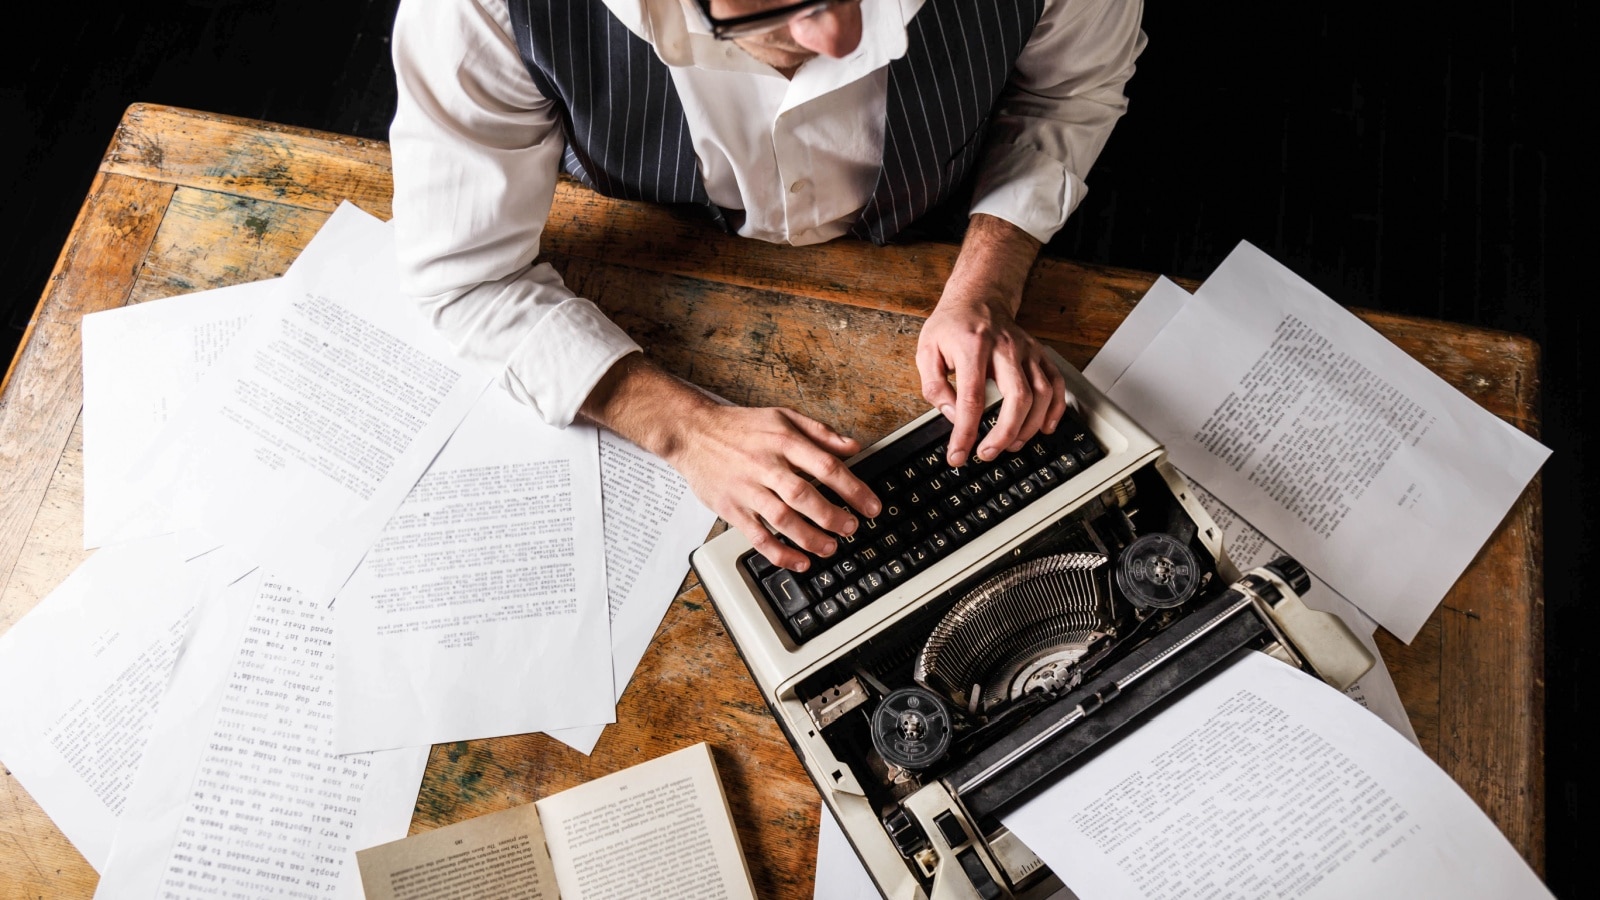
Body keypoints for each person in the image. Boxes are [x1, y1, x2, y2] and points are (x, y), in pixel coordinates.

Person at [389, 0, 1146, 573]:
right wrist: (685, 428)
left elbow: (1064, 96)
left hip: (940, 215)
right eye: (783, 5)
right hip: (657, 223)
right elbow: (467, 273)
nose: (841, 38)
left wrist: (989, 279)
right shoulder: (473, 10)